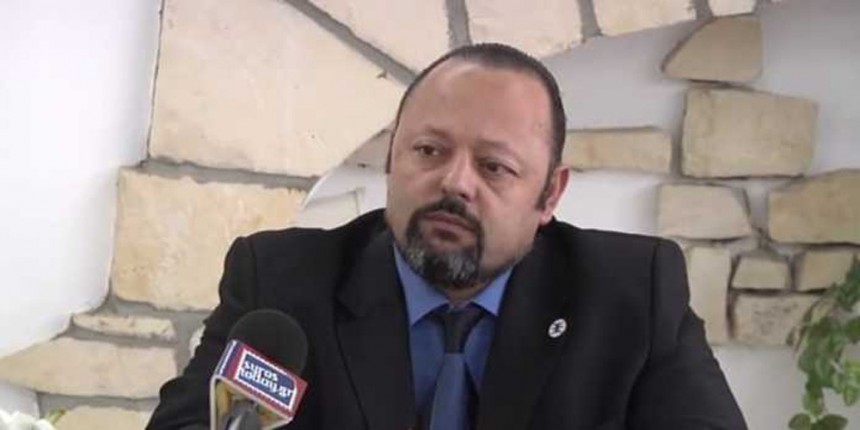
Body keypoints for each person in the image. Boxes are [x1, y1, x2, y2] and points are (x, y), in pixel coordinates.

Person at [148, 43, 746, 430]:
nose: (455, 182)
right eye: (429, 150)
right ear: (392, 156)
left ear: (550, 195)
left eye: (494, 167)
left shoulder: (632, 296)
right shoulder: (281, 283)